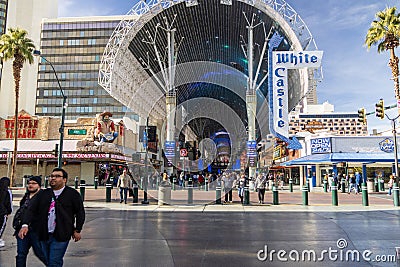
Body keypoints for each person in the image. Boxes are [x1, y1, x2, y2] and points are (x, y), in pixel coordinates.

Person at [19, 168, 85, 267]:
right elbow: (31, 210)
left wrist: (77, 230)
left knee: (54, 261)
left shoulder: (72, 194)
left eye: (57, 176)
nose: (53, 178)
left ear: (64, 180)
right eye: (51, 176)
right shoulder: (43, 194)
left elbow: (80, 212)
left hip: (61, 234)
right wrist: (25, 225)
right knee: (48, 260)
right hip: (44, 234)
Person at [14, 176, 47, 267]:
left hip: (36, 231)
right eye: (29, 183)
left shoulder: (43, 196)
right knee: (21, 255)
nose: (30, 185)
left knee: (41, 253)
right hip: (22, 230)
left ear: (39, 185)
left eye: (33, 183)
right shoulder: (26, 196)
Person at [0, 177, 12, 247]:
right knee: (1, 226)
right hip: (3, 212)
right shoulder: (7, 191)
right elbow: (9, 202)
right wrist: (9, 211)